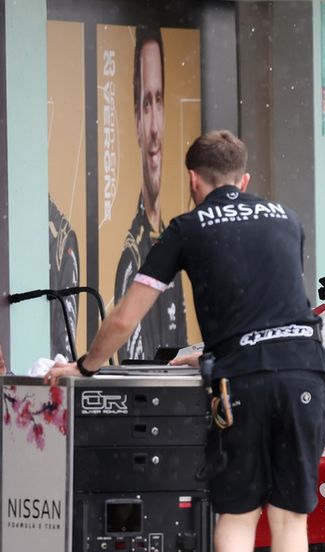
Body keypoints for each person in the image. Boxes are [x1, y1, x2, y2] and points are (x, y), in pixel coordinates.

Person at [46, 131, 325, 552]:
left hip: (242, 380)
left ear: (193, 181)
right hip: (305, 371)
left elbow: (128, 317)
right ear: (245, 179)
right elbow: (272, 299)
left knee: (236, 510)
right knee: (290, 517)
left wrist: (85, 367)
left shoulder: (186, 227)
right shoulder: (287, 219)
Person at [114, 26, 188, 361]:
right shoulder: (133, 257)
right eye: (146, 103)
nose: (155, 127)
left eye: (159, 101)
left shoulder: (175, 236)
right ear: (135, 120)